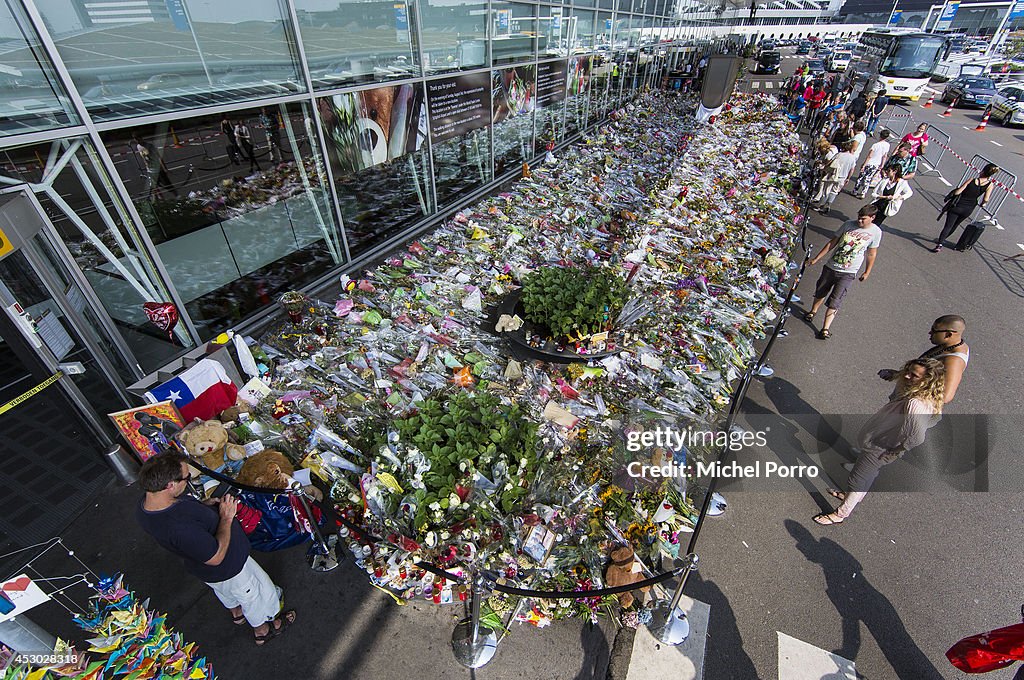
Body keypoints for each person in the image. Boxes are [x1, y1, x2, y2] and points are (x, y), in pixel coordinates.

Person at [137, 452, 296, 645]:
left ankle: (236, 613)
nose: (188, 482)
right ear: (170, 485)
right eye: (186, 478)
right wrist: (227, 517)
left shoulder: (147, 504)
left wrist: (205, 507)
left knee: (226, 593)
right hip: (229, 568)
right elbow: (216, 556)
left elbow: (185, 513)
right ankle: (263, 629)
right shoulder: (179, 528)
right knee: (252, 596)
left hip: (206, 572)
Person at [813, 358, 945, 525]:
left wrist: (898, 448)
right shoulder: (929, 398)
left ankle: (841, 513)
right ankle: (854, 496)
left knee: (857, 479)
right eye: (908, 372)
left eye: (914, 375)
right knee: (869, 473)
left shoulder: (915, 403)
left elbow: (917, 437)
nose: (907, 377)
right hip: (884, 443)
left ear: (927, 380)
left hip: (882, 445)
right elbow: (935, 419)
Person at [804, 204, 882, 339]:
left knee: (836, 299)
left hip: (849, 271)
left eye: (863, 219)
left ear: (872, 218)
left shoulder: (876, 232)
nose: (859, 221)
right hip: (832, 266)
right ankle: (813, 311)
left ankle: (825, 328)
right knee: (821, 290)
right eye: (858, 218)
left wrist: (867, 272)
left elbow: (871, 253)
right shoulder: (848, 225)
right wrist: (817, 258)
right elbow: (832, 242)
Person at [879, 315, 969, 404]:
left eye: (934, 330)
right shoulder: (948, 346)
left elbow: (945, 396)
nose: (930, 332)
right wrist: (898, 375)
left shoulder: (954, 361)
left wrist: (912, 402)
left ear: (948, 334)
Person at [932, 163, 998, 253]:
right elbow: (986, 199)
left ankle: (939, 244)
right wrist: (983, 204)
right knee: (955, 225)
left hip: (957, 205)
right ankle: (942, 239)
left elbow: (958, 192)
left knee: (948, 226)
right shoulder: (990, 185)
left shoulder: (972, 180)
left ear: (982, 171)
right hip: (968, 209)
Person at [811, 139, 856, 214]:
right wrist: (848, 178)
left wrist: (824, 167)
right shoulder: (852, 158)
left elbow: (830, 162)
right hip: (843, 178)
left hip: (833, 175)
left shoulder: (839, 155)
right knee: (834, 192)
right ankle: (828, 205)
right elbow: (852, 169)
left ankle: (821, 206)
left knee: (826, 191)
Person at [853, 129, 891, 199]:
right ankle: (863, 193)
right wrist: (882, 165)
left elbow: (870, 156)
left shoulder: (875, 145)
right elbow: (885, 156)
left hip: (870, 163)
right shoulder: (887, 145)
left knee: (861, 177)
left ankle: (855, 190)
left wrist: (864, 164)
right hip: (877, 164)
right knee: (868, 179)